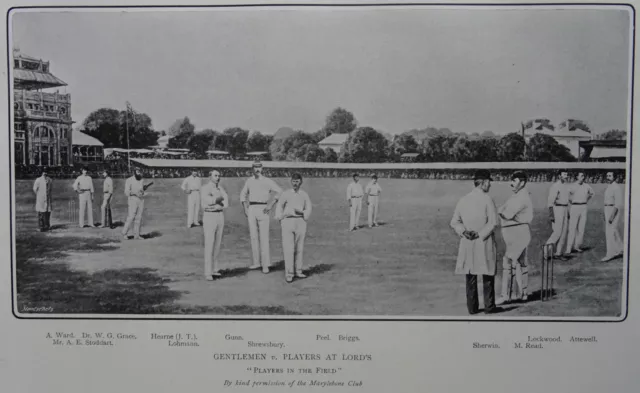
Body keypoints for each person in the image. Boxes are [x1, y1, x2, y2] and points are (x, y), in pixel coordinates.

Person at [450, 170, 498, 314]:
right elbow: (493, 222)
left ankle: (472, 308)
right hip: (483, 241)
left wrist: (463, 231)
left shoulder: (463, 199)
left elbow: (455, 222)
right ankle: (489, 307)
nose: (490, 185)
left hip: (468, 240)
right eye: (488, 182)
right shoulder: (487, 199)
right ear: (483, 183)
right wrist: (480, 234)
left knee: (470, 274)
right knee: (487, 273)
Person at [497, 171, 534, 305]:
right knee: (521, 262)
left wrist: (502, 212)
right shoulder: (516, 196)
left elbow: (506, 213)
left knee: (508, 261)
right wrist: (502, 211)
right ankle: (523, 293)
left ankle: (505, 295)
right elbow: (502, 210)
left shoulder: (522, 197)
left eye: (515, 180)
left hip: (518, 232)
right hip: (515, 232)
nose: (511, 183)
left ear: (522, 182)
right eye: (511, 180)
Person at [239, 161, 282, 273]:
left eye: (259, 167)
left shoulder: (267, 181)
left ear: (262, 168)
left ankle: (266, 264)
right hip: (252, 208)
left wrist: (271, 205)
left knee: (264, 237)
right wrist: (245, 209)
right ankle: (256, 262)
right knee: (253, 236)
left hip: (263, 208)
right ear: (252, 169)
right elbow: (243, 195)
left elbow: (280, 191)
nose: (257, 169)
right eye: (255, 167)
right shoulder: (249, 181)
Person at [276, 173, 312, 283]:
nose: (295, 183)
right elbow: (279, 207)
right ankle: (289, 273)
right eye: (293, 181)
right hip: (288, 221)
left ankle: (298, 271)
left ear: (301, 182)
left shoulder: (304, 194)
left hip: (300, 221)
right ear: (291, 182)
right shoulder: (286, 194)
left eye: (297, 181)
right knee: (288, 248)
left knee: (299, 247)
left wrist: (302, 212)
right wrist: (281, 219)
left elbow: (309, 208)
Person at [200, 170, 228, 280]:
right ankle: (208, 272)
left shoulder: (220, 188)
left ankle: (215, 269)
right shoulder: (205, 188)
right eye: (215, 175)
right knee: (209, 243)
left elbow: (226, 202)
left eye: (219, 175)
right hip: (209, 216)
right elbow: (206, 202)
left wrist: (217, 201)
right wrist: (217, 200)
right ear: (210, 177)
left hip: (220, 215)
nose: (218, 177)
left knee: (217, 244)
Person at [565, 172, 594, 254]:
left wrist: (586, 200)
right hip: (574, 207)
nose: (583, 177)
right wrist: (572, 201)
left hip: (584, 207)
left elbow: (592, 193)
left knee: (581, 228)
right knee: (572, 228)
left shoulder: (586, 186)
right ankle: (568, 248)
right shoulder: (572, 186)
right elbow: (567, 196)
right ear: (577, 177)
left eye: (584, 175)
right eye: (581, 176)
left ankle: (577, 246)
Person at [545, 171, 570, 260]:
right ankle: (545, 251)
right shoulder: (555, 186)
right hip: (557, 209)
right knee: (557, 232)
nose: (566, 176)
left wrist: (568, 213)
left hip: (565, 209)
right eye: (564, 175)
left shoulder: (567, 186)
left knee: (563, 233)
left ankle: (558, 253)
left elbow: (566, 200)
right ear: (559, 176)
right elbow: (550, 202)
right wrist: (551, 214)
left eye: (567, 175)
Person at [122, 168, 151, 240]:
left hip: (140, 200)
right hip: (132, 200)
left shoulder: (141, 180)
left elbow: (141, 191)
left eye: (140, 171)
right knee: (131, 216)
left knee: (139, 217)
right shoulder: (129, 180)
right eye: (137, 171)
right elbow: (126, 192)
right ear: (134, 172)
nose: (139, 173)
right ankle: (124, 233)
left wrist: (143, 191)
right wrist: (135, 193)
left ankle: (136, 235)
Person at [602, 171, 624, 262]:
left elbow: (618, 204)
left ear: (614, 177)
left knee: (610, 232)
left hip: (613, 210)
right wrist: (605, 213)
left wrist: (612, 216)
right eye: (607, 175)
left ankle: (610, 254)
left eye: (610, 176)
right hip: (607, 209)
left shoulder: (616, 187)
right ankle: (621, 249)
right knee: (614, 231)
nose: (608, 177)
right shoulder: (609, 186)